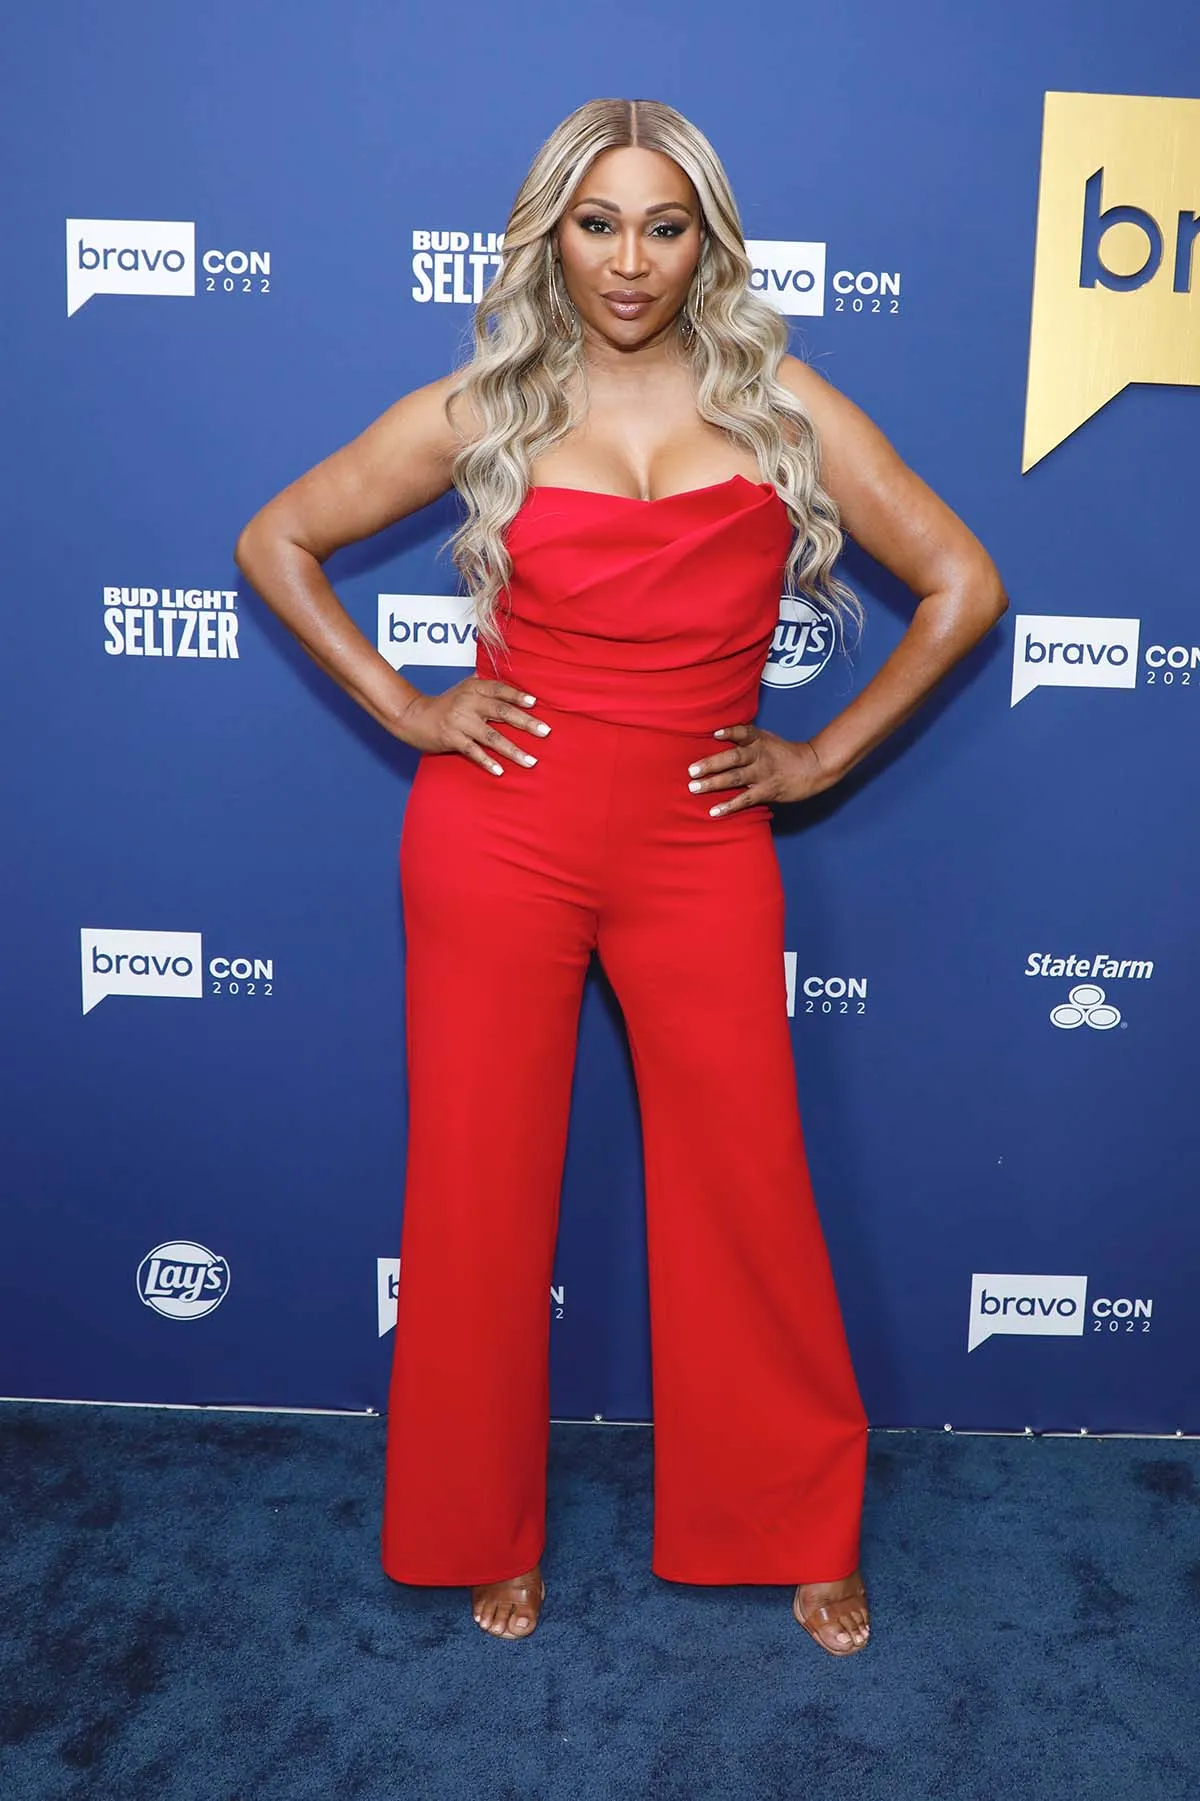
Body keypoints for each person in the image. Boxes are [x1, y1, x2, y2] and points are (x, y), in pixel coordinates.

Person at [234, 96, 1007, 1656]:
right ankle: (478, 1525)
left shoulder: (784, 404)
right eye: (599, 225)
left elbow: (962, 583)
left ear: (706, 240)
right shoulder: (487, 405)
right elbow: (278, 539)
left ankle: (797, 1520)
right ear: (554, 238)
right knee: (475, 1193)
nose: (631, 261)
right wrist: (406, 707)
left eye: (664, 226)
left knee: (748, 1188)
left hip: (699, 838)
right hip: (495, 833)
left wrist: (820, 754)